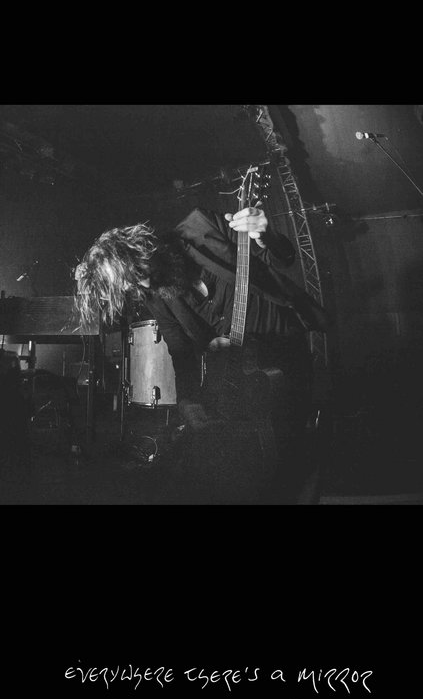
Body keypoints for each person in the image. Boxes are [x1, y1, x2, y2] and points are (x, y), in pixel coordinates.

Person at [75, 204, 327, 503]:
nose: (144, 283)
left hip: (283, 346)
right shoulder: (154, 294)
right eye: (131, 285)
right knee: (240, 463)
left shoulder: (202, 227)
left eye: (139, 272)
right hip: (242, 375)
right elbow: (179, 348)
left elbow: (281, 259)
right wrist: (187, 400)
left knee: (294, 450)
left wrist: (266, 235)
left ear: (142, 248)